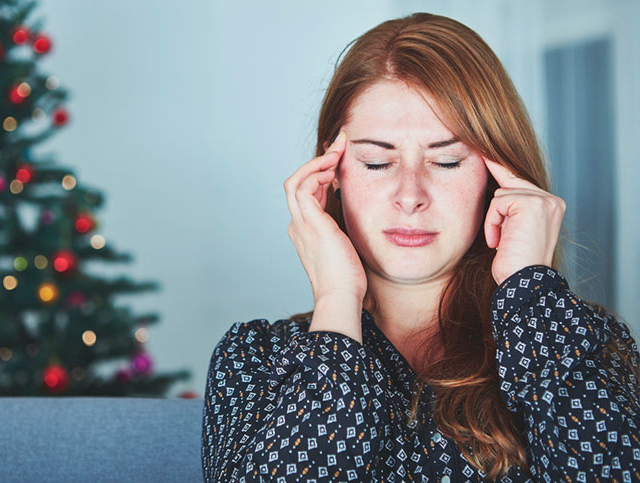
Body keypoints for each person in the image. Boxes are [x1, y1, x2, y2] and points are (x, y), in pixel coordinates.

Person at [201, 12, 639, 482]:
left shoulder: (579, 341)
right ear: (332, 178)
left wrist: (529, 289)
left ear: (498, 178)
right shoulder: (254, 357)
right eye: (375, 162)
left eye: (447, 161)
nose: (410, 195)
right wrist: (335, 300)